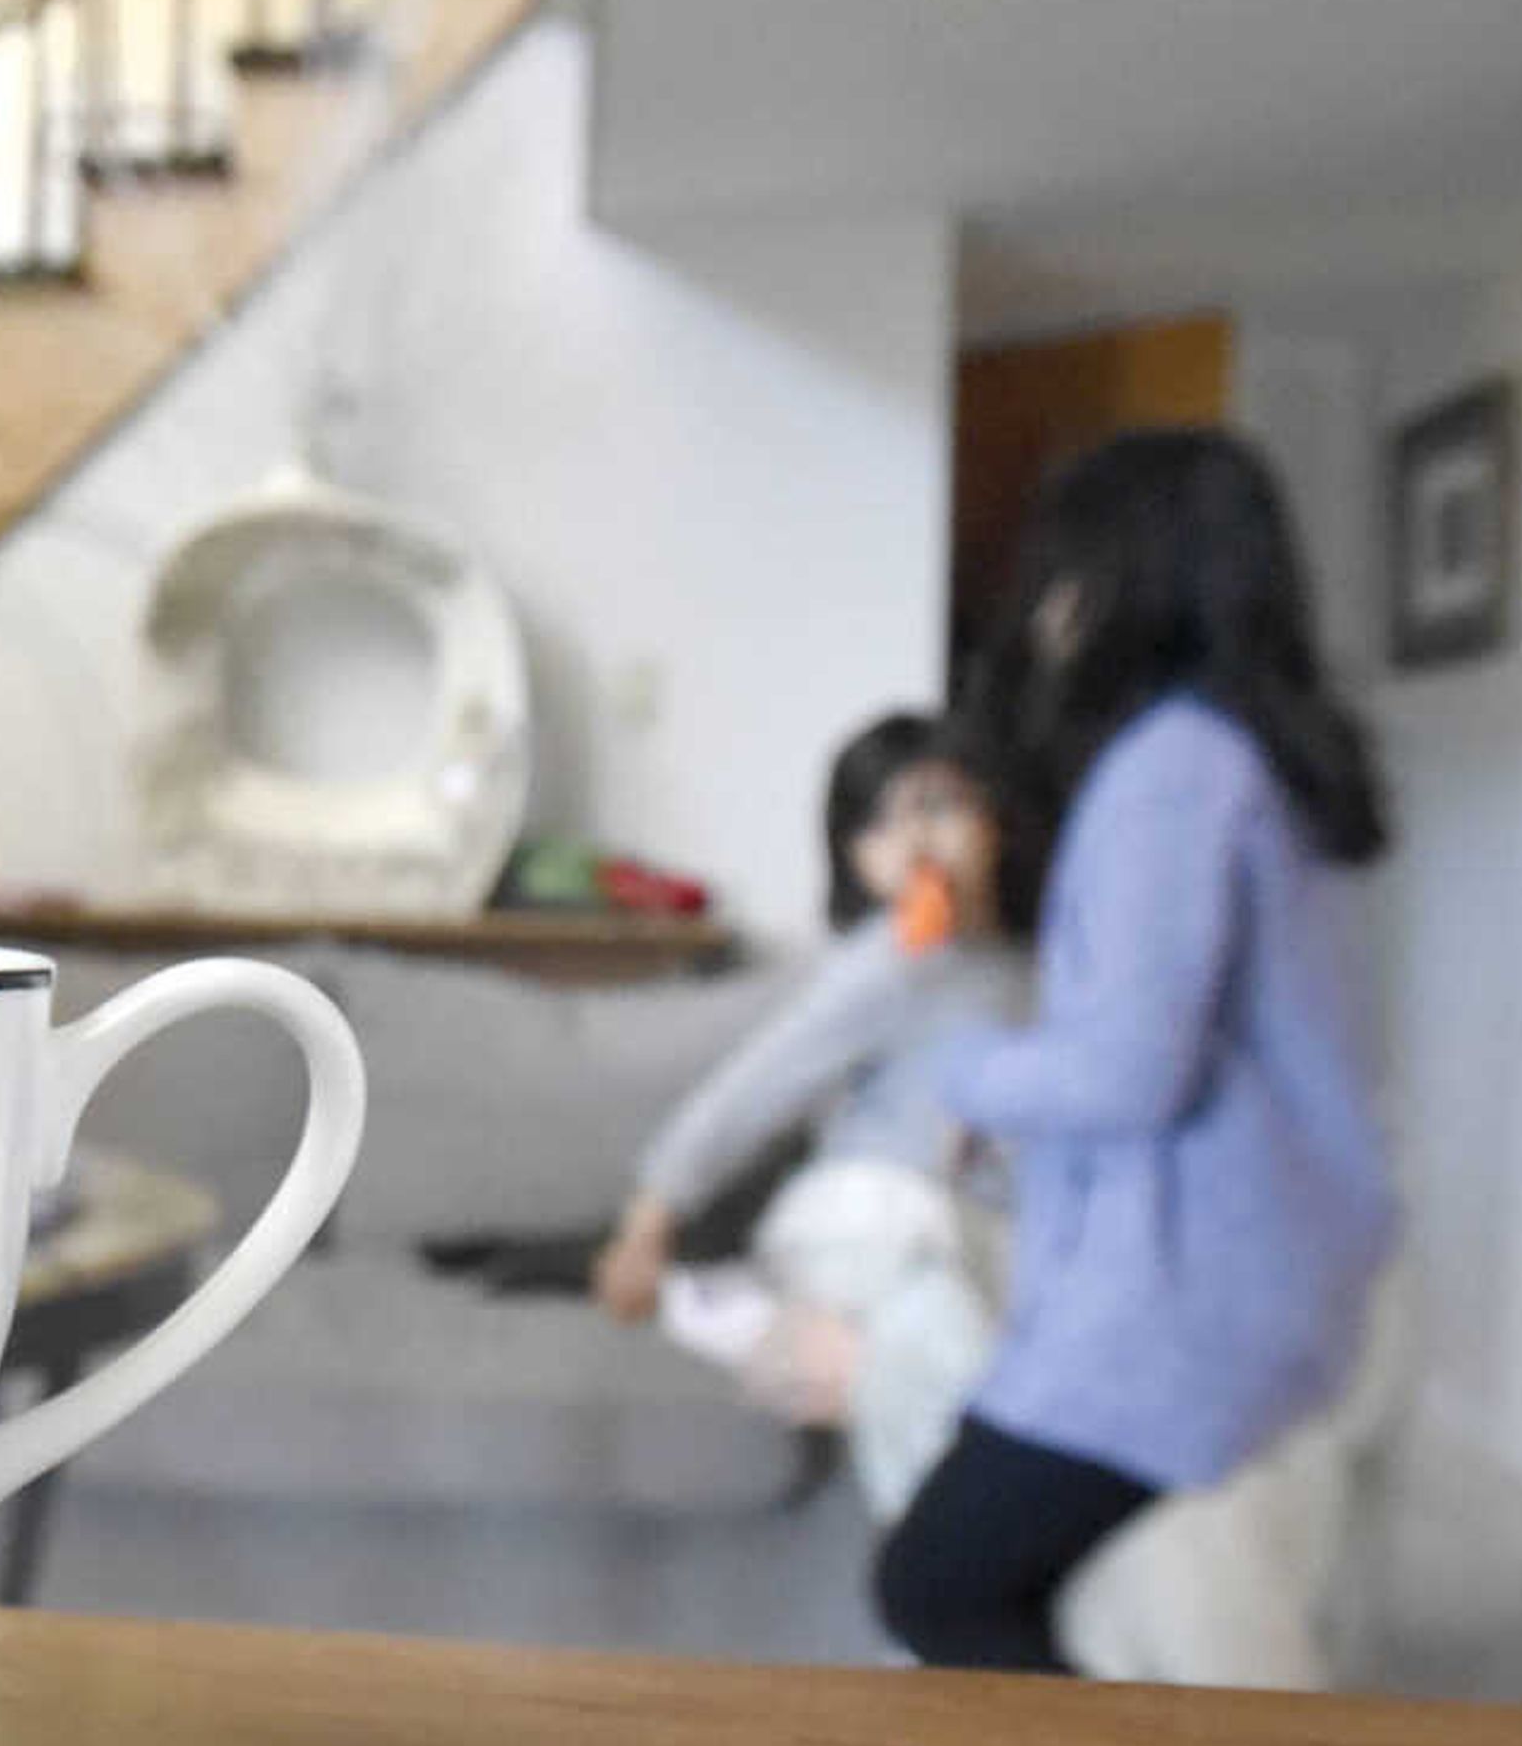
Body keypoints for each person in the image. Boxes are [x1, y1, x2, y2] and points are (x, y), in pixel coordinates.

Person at [873, 428, 1397, 1674]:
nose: (1044, 610)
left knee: (935, 1584)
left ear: (1125, 578)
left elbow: (1125, 1069)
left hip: (1186, 1299)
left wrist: (966, 1074)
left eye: (1061, 572)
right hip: (1269, 1263)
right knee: (964, 1575)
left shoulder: (1172, 768)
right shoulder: (1248, 760)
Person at [589, 713, 1028, 1512]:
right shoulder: (888, 964)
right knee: (937, 1338)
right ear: (854, 859)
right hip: (872, 1212)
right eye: (878, 823)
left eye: (937, 804)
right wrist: (645, 1225)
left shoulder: (1035, 970)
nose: (912, 839)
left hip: (984, 1227)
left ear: (993, 818)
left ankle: (776, 1327)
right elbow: (753, 1089)